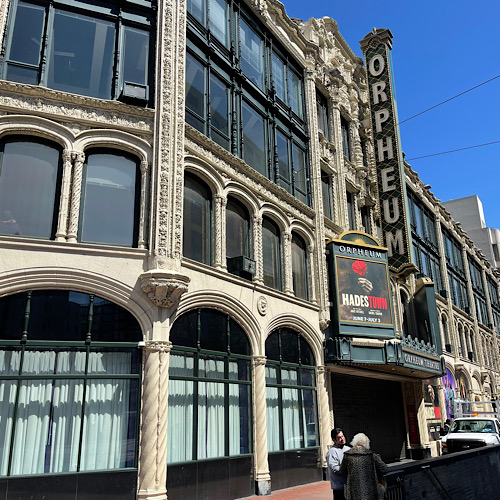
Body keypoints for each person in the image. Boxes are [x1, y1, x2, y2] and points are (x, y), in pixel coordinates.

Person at [340, 433, 388, 500]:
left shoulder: (347, 455)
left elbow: (342, 471)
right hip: (370, 494)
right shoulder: (371, 455)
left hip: (353, 494)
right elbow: (384, 469)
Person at [326, 428, 350, 500]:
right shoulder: (332, 452)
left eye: (342, 436)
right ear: (334, 440)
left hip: (350, 488)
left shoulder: (349, 449)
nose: (342, 439)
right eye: (339, 438)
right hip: (340, 490)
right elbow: (334, 469)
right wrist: (348, 470)